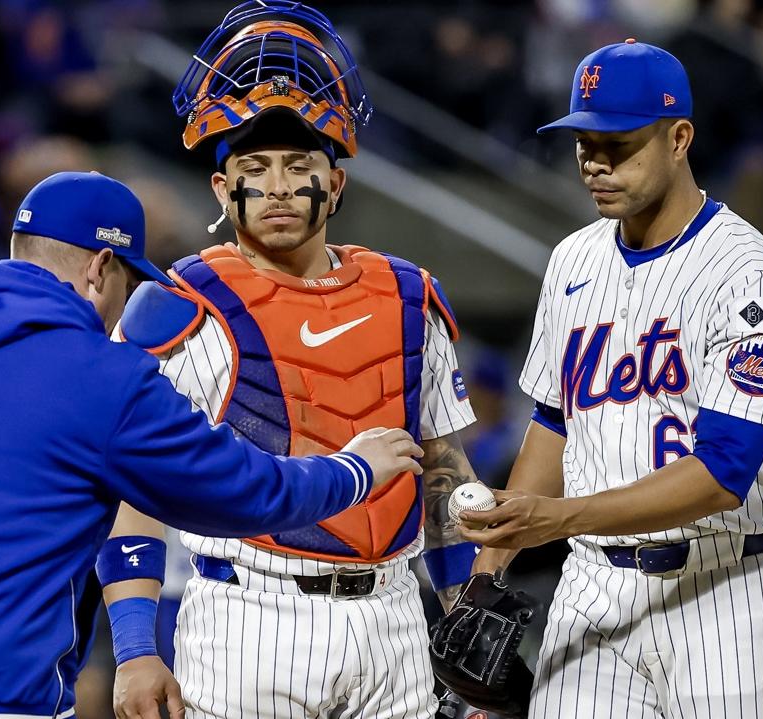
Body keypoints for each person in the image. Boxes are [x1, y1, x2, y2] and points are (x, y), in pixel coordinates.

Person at [0, 171, 423, 719]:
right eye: (128, 286)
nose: (122, 311)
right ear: (103, 267)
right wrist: (354, 470)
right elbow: (244, 490)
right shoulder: (101, 374)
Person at [102, 3, 482, 717]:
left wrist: (463, 610)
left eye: (299, 164)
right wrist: (134, 647)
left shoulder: (408, 295)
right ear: (223, 188)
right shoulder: (178, 305)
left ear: (334, 184)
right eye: (255, 167)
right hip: (249, 616)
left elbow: (442, 469)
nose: (276, 185)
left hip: (392, 618)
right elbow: (130, 487)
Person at [457, 40, 763, 718]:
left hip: (726, 591)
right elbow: (555, 422)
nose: (595, 163)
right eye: (583, 144)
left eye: (618, 144)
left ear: (679, 138)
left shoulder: (750, 279)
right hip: (594, 582)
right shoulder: (573, 260)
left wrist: (557, 519)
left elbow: (720, 474)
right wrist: (486, 574)